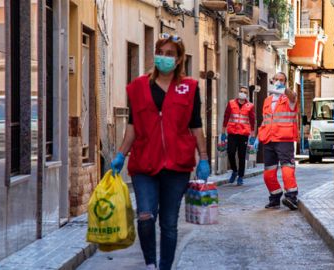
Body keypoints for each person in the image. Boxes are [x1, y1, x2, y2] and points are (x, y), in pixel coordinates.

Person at [110, 33, 210, 270]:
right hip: (144, 163)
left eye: (169, 54)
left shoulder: (190, 87)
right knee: (145, 216)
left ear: (178, 60)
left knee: (168, 223)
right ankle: (150, 265)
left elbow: (196, 125)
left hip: (177, 165)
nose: (163, 58)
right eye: (160, 53)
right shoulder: (138, 87)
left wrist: (203, 158)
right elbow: (132, 126)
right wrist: (120, 155)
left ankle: (164, 267)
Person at [254, 72, 299, 210]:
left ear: (285, 83)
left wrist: (284, 90)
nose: (279, 82)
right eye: (277, 80)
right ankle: (275, 197)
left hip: (284, 139)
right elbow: (265, 120)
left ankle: (291, 197)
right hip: (268, 139)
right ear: (272, 81)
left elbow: (293, 96)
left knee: (287, 169)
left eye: (282, 80)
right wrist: (257, 138)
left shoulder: (289, 98)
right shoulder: (267, 100)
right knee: (268, 174)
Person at [221, 86, 256, 186]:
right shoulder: (231, 103)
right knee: (230, 152)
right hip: (232, 133)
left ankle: (240, 176)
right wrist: (223, 132)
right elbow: (226, 117)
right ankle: (234, 171)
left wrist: (253, 134)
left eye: (244, 92)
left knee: (241, 156)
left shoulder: (250, 106)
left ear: (247, 95)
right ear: (238, 92)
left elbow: (252, 120)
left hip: (244, 134)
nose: (242, 93)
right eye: (241, 91)